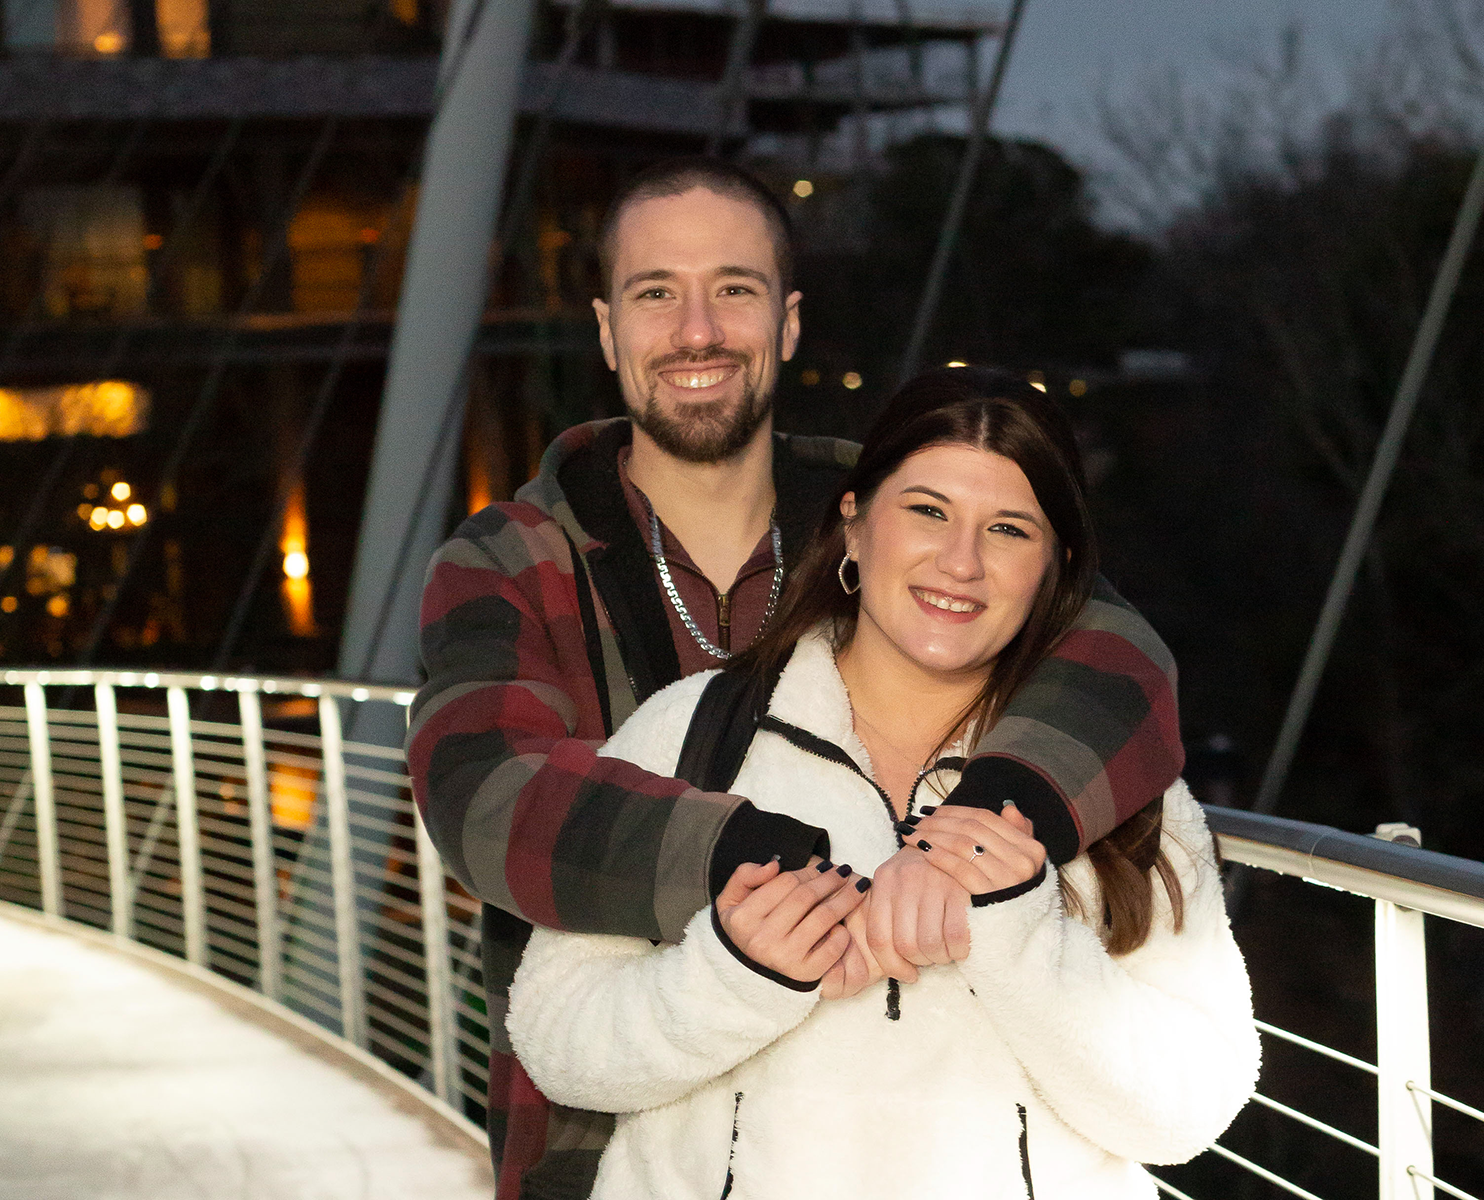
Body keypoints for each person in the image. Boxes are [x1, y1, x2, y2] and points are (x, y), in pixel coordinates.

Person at [406, 159, 1187, 1200]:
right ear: (606, 330)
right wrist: (770, 864)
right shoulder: (511, 560)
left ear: (788, 322)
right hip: (607, 1143)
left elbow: (1116, 653)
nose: (697, 329)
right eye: (655, 294)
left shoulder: (902, 515)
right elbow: (488, 795)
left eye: (735, 288)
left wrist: (983, 835)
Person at [505, 368, 1259, 1199]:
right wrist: (732, 975)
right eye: (927, 511)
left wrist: (1018, 931)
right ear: (856, 525)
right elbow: (554, 1040)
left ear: (1057, 566)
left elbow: (1191, 1107)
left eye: (1009, 529)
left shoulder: (1113, 784)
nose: (961, 562)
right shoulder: (691, 733)